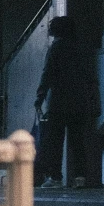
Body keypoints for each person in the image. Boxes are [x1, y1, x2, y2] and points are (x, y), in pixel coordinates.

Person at [34, 14, 99, 187]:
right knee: (77, 142)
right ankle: (80, 178)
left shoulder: (56, 48)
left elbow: (47, 73)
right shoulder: (81, 48)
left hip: (59, 102)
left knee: (55, 142)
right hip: (79, 102)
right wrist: (92, 98)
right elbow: (90, 76)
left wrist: (40, 96)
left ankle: (55, 177)